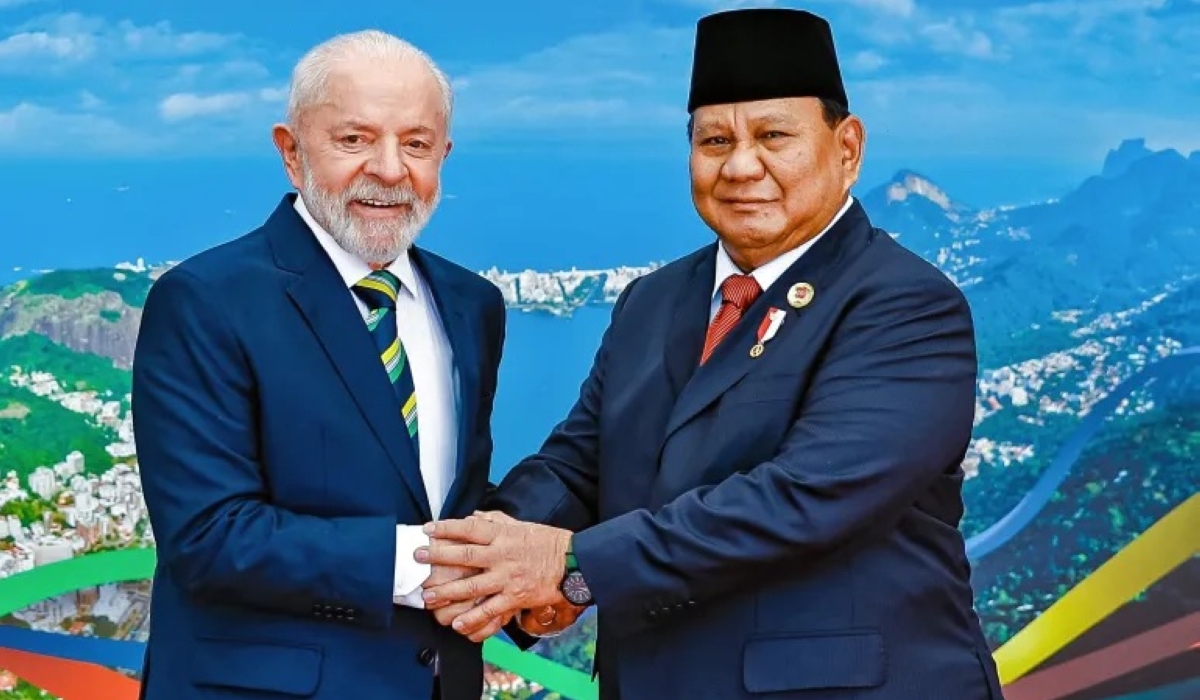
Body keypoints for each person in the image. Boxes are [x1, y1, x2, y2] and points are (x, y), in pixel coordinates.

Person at [417, 7, 1006, 700]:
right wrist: (491, 548)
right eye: (715, 139)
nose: (741, 166)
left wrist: (571, 566)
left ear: (847, 148)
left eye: (774, 136)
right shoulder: (655, 300)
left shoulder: (904, 304)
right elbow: (580, 463)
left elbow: (797, 503)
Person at [131, 30, 504, 700]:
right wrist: (433, 566)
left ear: (443, 157)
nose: (389, 170)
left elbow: (451, 497)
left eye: (415, 143)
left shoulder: (473, 305)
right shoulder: (205, 300)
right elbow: (210, 537)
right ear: (291, 152)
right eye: (354, 139)